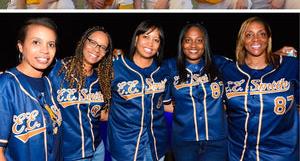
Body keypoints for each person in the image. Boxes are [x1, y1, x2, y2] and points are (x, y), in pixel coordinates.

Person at [221, 17, 299, 160]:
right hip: (239, 153)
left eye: (261, 34)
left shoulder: (291, 67)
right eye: (249, 34)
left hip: (281, 155)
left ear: (268, 38)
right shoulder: (228, 71)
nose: (255, 39)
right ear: (242, 40)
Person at [107, 20, 171, 161]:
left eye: (156, 40)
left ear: (160, 46)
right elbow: (100, 104)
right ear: (136, 39)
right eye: (146, 37)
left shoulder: (163, 70)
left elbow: (165, 103)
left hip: (156, 145)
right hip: (124, 147)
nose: (150, 43)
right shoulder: (115, 67)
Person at [0, 17, 63, 161]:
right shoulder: (6, 85)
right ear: (20, 46)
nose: (45, 50)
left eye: (51, 44)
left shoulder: (48, 83)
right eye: (36, 42)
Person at [48, 26, 114, 161]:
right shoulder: (57, 69)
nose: (96, 49)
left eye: (102, 47)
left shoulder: (101, 79)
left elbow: (100, 114)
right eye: (93, 42)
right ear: (83, 42)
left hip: (97, 149)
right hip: (68, 153)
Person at [166, 22, 229, 160]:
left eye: (199, 40)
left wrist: (273, 55)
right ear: (181, 43)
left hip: (217, 141)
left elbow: (249, 66)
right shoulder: (169, 66)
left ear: (205, 43)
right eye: (188, 40)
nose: (193, 45)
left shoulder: (221, 64)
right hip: (184, 142)